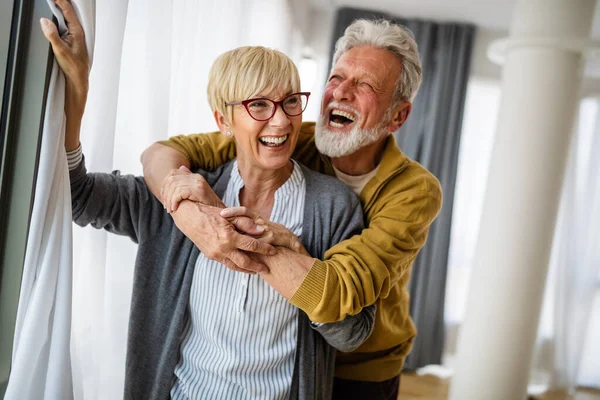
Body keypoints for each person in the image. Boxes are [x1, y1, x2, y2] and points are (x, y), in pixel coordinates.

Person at [40, 2, 375, 399]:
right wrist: (77, 92)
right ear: (223, 121)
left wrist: (295, 264)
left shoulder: (333, 207)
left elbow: (353, 332)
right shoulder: (183, 195)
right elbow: (77, 196)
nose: (283, 121)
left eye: (290, 101)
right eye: (259, 105)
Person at [142, 18, 443, 400]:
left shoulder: (414, 190)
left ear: (398, 116)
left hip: (361, 369)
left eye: (365, 85)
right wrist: (189, 216)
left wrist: (258, 242)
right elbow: (162, 153)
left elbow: (337, 292)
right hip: (296, 352)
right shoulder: (288, 136)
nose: (341, 93)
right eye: (337, 77)